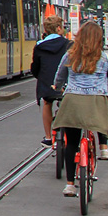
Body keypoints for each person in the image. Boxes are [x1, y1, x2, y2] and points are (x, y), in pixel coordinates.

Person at [52, 21, 108, 196]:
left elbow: (59, 78)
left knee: (72, 143)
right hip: (96, 100)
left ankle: (69, 184)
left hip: (73, 101)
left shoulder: (70, 56)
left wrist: (57, 87)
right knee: (105, 111)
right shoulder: (107, 58)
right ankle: (104, 148)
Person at [31, 15, 70, 147]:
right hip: (65, 84)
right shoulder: (69, 45)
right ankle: (70, 135)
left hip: (47, 84)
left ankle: (48, 137)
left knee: (47, 103)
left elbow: (35, 67)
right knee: (68, 103)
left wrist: (41, 77)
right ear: (59, 28)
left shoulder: (39, 46)